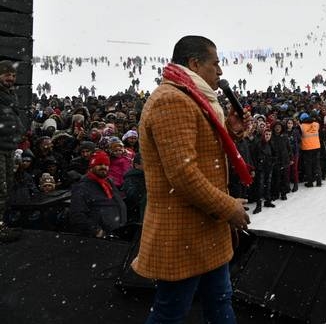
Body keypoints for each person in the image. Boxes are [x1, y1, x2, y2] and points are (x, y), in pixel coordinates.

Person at [131, 36, 251, 324]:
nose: (220, 72)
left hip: (206, 230)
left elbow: (201, 150)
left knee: (220, 302)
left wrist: (230, 131)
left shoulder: (193, 98)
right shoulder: (171, 100)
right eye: (216, 63)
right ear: (195, 64)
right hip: (182, 232)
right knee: (171, 312)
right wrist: (228, 208)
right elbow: (183, 175)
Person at [69, 150, 127, 237]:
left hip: (116, 234)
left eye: (106, 165)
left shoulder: (108, 183)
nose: (103, 167)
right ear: (92, 166)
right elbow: (77, 215)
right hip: (98, 241)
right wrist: (96, 231)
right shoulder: (82, 186)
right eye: (99, 164)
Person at [0, 60, 24, 243]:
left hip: (9, 147)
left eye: (13, 75)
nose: (11, 78)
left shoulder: (11, 95)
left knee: (6, 188)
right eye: (7, 74)